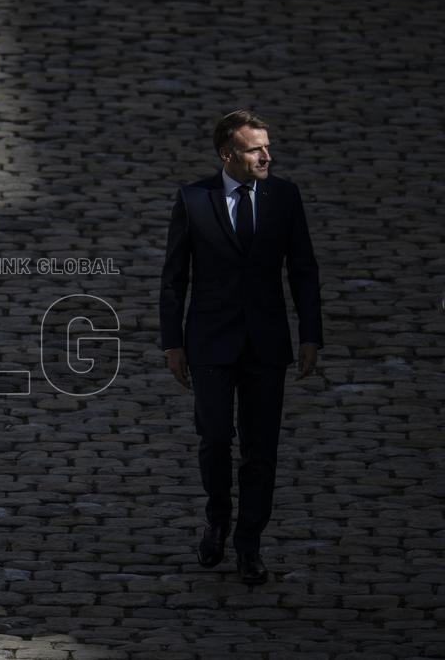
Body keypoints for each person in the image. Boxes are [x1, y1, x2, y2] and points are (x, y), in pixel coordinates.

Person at [159, 110, 323, 585]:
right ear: (227, 155)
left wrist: (311, 333)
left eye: (267, 147)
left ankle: (250, 543)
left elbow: (304, 270)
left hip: (267, 343)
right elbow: (174, 279)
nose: (266, 156)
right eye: (256, 149)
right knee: (213, 439)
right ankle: (218, 520)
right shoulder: (194, 199)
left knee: (261, 448)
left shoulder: (284, 196)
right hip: (209, 342)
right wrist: (173, 343)